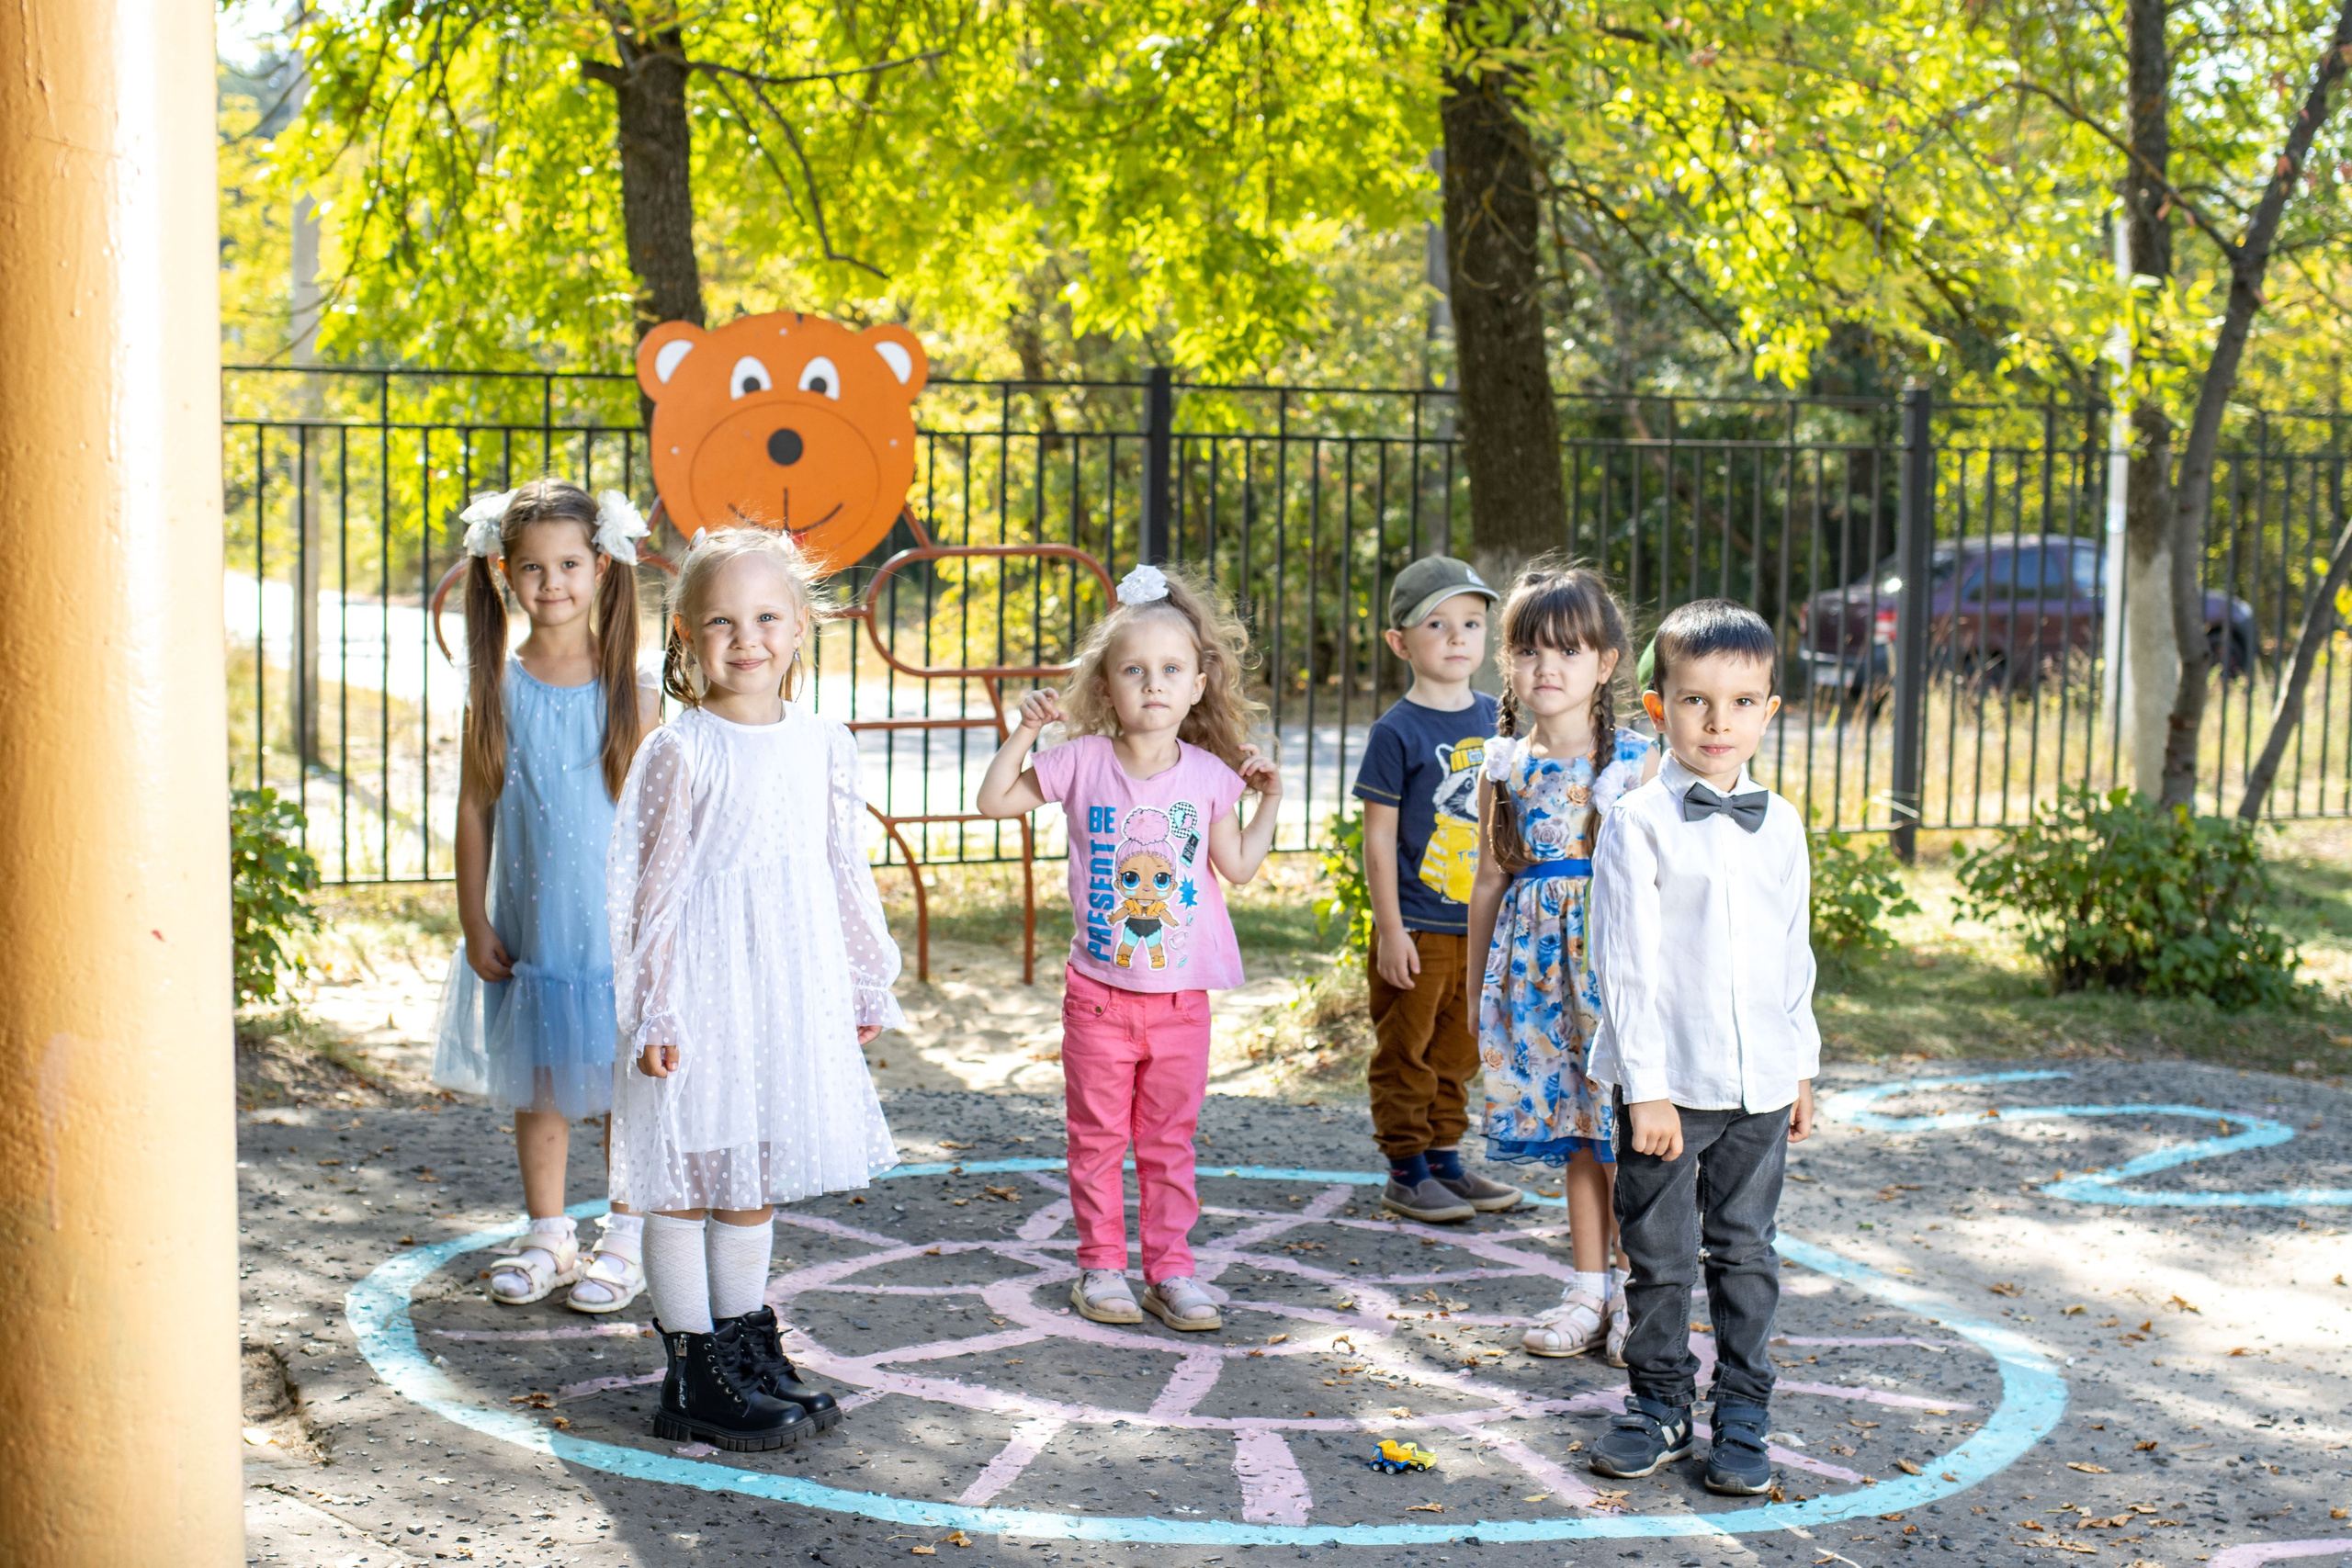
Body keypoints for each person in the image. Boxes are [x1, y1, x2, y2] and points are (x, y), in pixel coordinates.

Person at [607, 525, 903, 1452]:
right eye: (723, 622)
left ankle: (744, 1343)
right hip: (699, 989)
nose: (748, 639)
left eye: (768, 616)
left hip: (785, 981)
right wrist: (652, 1005)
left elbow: (841, 867)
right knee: (688, 1176)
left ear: (802, 626)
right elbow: (646, 892)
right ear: (688, 636)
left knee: (753, 1172)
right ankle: (692, 1369)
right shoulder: (680, 749)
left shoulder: (823, 741)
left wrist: (864, 977)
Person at [975, 563, 1281, 1333]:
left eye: (1171, 670)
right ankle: (1101, 1265)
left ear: (1199, 684)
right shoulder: (1081, 761)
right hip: (1099, 996)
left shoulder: (1211, 776)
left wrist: (1271, 798)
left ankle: (1170, 1271)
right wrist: (1024, 732)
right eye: (1134, 670)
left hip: (1181, 1003)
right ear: (1106, 686)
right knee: (1098, 1139)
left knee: (1169, 1144)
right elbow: (993, 799)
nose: (1153, 684)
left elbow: (1238, 866)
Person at [1585, 597, 1818, 1497]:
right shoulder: (1638, 822)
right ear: (1658, 707)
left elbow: (1792, 950)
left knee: (1747, 1255)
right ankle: (1658, 1405)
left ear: (1769, 709)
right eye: (1695, 702)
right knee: (1661, 1258)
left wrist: (1799, 1060)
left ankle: (1744, 1414)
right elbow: (1627, 968)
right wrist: (1644, 1088)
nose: (1718, 722)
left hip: (1759, 1081)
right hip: (1668, 1087)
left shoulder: (1783, 824)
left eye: (1740, 702)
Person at [431, 479, 658, 1314]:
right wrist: (472, 913)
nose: (552, 582)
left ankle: (625, 1238)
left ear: (602, 567)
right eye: (532, 567)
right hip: (536, 938)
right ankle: (550, 1232)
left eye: (568, 563)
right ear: (502, 574)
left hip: (617, 940)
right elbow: (474, 804)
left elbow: (657, 824)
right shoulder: (498, 683)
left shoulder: (631, 689)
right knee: (544, 1087)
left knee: (627, 1091)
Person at [1463, 565, 1656, 1361]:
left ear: (1605, 663)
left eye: (1569, 650)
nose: (1549, 667)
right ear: (1508, 662)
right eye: (1530, 649)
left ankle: (1645, 1290)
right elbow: (1487, 880)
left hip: (1614, 975)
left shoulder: (1640, 765)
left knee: (1632, 1134)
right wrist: (1476, 993)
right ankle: (1587, 1286)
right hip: (1535, 979)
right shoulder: (1503, 766)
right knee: (1581, 1133)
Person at [1350, 555, 1524, 1224]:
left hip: (1479, 926)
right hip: (1418, 925)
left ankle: (1446, 1158)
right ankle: (1406, 1168)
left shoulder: (1498, 717)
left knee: (1459, 1048)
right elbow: (1378, 839)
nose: (1458, 638)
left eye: (1472, 623)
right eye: (1437, 623)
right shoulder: (1397, 731)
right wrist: (1391, 929)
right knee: (1408, 1050)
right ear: (1400, 642)